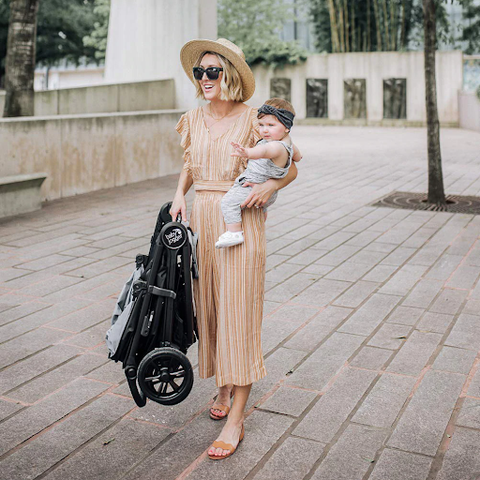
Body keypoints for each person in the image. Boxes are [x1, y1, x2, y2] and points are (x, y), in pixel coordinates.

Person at [169, 38, 298, 460]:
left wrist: (270, 184)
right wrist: (179, 195)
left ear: (230, 74)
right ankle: (223, 383)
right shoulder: (192, 117)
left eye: (213, 71)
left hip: (240, 217)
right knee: (210, 307)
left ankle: (236, 420)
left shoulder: (254, 120)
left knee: (239, 313)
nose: (205, 79)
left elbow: (292, 161)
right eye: (199, 72)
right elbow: (190, 161)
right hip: (203, 219)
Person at [215, 98, 302, 248]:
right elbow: (298, 157)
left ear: (286, 127)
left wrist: (247, 152)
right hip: (264, 191)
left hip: (253, 187)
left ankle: (234, 232)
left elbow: (264, 151)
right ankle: (262, 215)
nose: (264, 130)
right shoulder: (288, 143)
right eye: (261, 125)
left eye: (270, 125)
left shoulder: (276, 146)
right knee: (258, 208)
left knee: (228, 202)